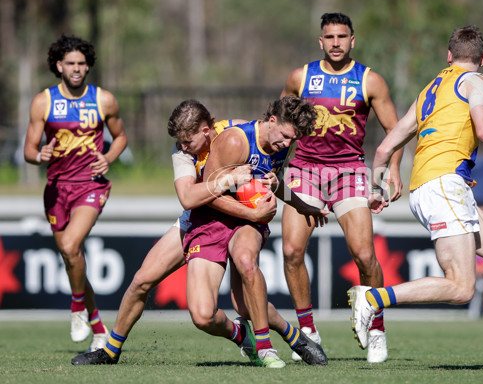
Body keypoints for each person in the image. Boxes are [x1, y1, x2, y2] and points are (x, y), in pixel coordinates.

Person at [348, 25, 483, 371]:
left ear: (449, 56)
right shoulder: (476, 82)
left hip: (432, 187)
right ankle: (373, 297)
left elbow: (387, 146)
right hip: (444, 185)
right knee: (461, 287)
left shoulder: (430, 89)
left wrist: (377, 188)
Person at [72, 98, 327, 368]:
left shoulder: (252, 137)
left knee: (244, 277)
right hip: (202, 219)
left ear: (206, 131)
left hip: (241, 221)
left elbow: (269, 178)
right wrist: (231, 183)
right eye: (180, 141)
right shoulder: (185, 152)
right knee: (149, 285)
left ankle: (275, 343)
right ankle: (111, 351)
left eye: (187, 141)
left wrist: (300, 204)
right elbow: (190, 198)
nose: (183, 146)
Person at [280, 12, 403, 363]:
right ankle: (307, 330)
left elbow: (396, 131)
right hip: (304, 170)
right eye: (329, 37)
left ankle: (376, 328)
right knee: (290, 252)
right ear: (321, 41)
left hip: (348, 172)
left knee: (365, 256)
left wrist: (392, 170)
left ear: (353, 40)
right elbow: (279, 125)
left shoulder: (370, 81)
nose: (336, 43)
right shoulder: (299, 78)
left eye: (342, 37)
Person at [183, 95, 329, 368]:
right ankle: (292, 334)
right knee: (214, 313)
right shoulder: (236, 141)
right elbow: (209, 194)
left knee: (246, 260)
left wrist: (303, 205)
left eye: (293, 140)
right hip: (211, 220)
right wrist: (252, 212)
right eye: (285, 136)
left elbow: (268, 183)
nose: (287, 144)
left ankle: (264, 347)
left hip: (248, 223)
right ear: (272, 121)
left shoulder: (281, 144)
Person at [23, 34, 127, 353]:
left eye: (82, 63)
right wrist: (38, 155)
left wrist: (108, 158)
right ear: (59, 65)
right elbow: (28, 148)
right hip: (56, 189)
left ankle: (77, 307)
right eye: (71, 63)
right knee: (72, 260)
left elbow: (121, 137)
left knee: (70, 245)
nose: (77, 68)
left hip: (90, 186)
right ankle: (98, 328)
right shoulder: (44, 102)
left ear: (88, 66)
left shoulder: (104, 100)